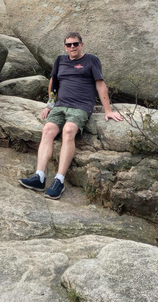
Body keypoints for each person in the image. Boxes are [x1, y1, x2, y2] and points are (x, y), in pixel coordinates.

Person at [19, 32, 124, 200]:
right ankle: (39, 176)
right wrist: (50, 104)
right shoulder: (60, 60)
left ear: (82, 45)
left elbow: (100, 84)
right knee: (47, 129)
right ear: (65, 47)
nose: (72, 47)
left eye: (75, 44)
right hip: (60, 106)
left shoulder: (91, 60)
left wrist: (108, 110)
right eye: (69, 45)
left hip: (80, 107)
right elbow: (53, 83)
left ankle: (59, 180)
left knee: (68, 130)